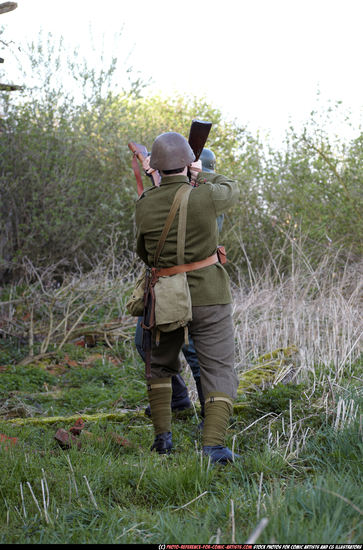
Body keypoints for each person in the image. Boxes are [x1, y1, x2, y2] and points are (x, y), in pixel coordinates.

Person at [135, 132, 239, 464]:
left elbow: (143, 253)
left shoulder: (145, 203)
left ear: (157, 167)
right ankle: (214, 447)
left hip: (166, 296)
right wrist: (201, 172)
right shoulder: (206, 196)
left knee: (161, 367)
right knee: (218, 367)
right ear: (187, 164)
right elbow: (230, 189)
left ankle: (163, 441)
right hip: (209, 294)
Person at [134, 148, 219, 420]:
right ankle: (178, 399)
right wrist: (156, 175)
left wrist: (157, 177)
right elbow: (166, 205)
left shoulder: (205, 199)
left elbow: (176, 218)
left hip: (194, 285)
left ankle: (210, 414)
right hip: (163, 283)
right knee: (144, 342)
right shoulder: (181, 192)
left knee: (195, 353)